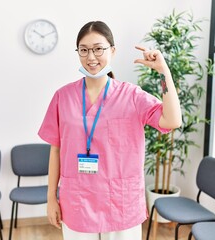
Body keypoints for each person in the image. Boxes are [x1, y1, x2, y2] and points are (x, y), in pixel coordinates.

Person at [38, 20, 181, 240]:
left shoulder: (132, 96)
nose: (91, 57)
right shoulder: (62, 97)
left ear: (112, 51)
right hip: (78, 203)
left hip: (120, 203)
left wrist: (164, 72)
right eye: (84, 50)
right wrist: (50, 199)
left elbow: (172, 120)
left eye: (98, 49)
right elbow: (55, 150)